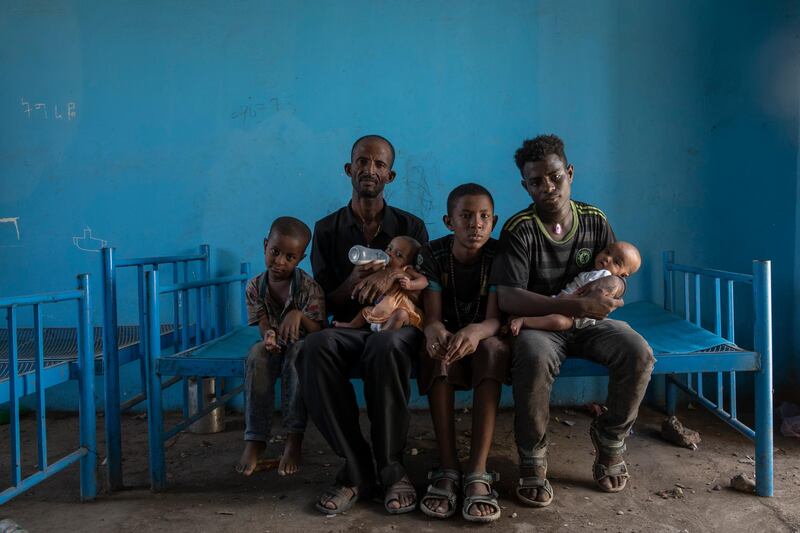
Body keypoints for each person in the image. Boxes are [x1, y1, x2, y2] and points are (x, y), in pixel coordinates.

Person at [490, 134, 654, 507]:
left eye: (555, 177)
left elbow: (618, 274)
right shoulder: (520, 229)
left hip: (591, 324)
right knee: (531, 357)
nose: (548, 187)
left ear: (570, 172)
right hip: (542, 323)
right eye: (536, 181)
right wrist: (571, 308)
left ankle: (611, 440)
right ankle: (532, 458)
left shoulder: (595, 221)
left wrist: (610, 292)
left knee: (638, 352)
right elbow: (508, 296)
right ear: (525, 185)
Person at [298, 135, 429, 515]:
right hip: (352, 326)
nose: (370, 170)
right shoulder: (327, 229)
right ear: (348, 169)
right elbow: (324, 299)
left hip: (397, 326)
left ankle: (390, 466)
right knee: (314, 347)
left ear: (391, 175)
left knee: (385, 346)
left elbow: (423, 286)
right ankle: (356, 467)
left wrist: (391, 274)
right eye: (362, 162)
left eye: (379, 164)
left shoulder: (411, 226)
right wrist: (354, 281)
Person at [416, 183, 509, 523]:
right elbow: (432, 317)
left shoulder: (500, 255)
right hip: (449, 332)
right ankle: (448, 467)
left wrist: (476, 331)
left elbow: (495, 320)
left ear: (494, 220)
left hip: (484, 333)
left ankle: (477, 471)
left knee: (495, 348)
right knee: (438, 350)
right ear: (448, 220)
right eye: (466, 216)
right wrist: (434, 330)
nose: (476, 225)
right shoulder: (433, 254)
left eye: (484, 217)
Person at [236, 217, 325, 477]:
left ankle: (293, 438)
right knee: (256, 356)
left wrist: (298, 314)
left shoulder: (309, 287)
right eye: (275, 252)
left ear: (300, 258)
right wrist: (269, 337)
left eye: (290, 257)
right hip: (274, 342)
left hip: (301, 341)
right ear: (265, 245)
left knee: (297, 355)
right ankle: (255, 439)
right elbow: (263, 322)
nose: (279, 262)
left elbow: (318, 330)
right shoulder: (255, 286)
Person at [509, 241, 641, 333]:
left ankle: (522, 319)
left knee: (558, 321)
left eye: (616, 262)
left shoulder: (604, 276)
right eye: (607, 252)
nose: (607, 258)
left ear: (623, 275)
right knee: (556, 320)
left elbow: (588, 300)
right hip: (565, 305)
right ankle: (523, 319)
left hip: (572, 310)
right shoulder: (598, 273)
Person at [333, 235, 427, 331]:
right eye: (389, 248)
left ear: (409, 264)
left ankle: (382, 337)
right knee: (364, 311)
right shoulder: (380, 268)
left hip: (398, 312)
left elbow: (424, 281)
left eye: (399, 255)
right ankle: (352, 325)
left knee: (400, 315)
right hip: (379, 314)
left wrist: (411, 284)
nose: (390, 254)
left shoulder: (406, 270)